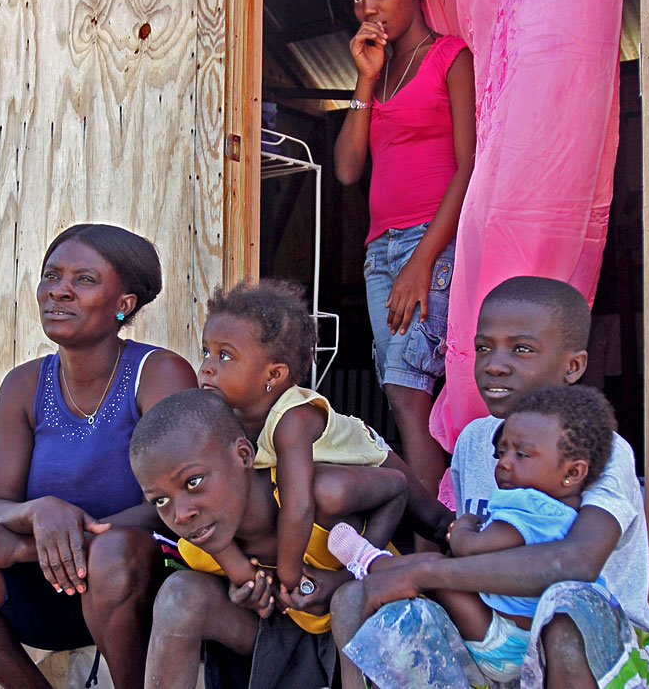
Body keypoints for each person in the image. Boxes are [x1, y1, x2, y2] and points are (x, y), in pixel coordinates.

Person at [330, 276, 649, 688]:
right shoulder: (475, 440)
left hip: (604, 643)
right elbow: (456, 540)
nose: (494, 363)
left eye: (521, 349)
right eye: (483, 347)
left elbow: (576, 562)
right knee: (367, 605)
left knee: (564, 613)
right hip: (498, 634)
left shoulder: (601, 451)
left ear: (572, 366)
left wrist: (424, 573)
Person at [0, 224, 198, 688]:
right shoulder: (24, 386)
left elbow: (181, 507)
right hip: (55, 584)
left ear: (124, 304)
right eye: (51, 275)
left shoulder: (159, 373)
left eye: (84, 280)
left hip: (142, 582)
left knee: (112, 554)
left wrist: (25, 545)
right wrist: (40, 511)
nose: (58, 291)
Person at [328, 384, 617, 686]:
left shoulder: (527, 503)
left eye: (522, 455)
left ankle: (371, 561)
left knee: (431, 567)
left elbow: (470, 550)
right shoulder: (569, 512)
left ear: (572, 473)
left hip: (502, 639)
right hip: (525, 639)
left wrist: (463, 527)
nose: (504, 462)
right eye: (502, 452)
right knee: (432, 570)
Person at [328, 0, 476, 523]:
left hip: (429, 244)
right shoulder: (380, 72)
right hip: (379, 252)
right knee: (400, 392)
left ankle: (435, 537)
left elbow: (468, 166)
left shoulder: (449, 57)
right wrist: (363, 82)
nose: (369, 7)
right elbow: (345, 169)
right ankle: (434, 531)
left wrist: (424, 261)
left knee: (411, 392)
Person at [130, 388, 408, 689]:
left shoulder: (320, 494)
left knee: (348, 601)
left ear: (243, 456)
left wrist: (348, 575)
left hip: (366, 633)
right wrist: (247, 595)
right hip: (285, 644)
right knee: (179, 596)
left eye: (193, 482)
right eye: (160, 500)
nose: (180, 515)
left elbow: (398, 488)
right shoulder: (203, 544)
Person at [198, 280, 453, 595]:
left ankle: (472, 565)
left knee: (437, 523)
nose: (207, 367)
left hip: (371, 458)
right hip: (339, 481)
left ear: (273, 375)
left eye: (224, 356)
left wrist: (289, 579)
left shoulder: (293, 418)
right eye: (206, 352)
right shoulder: (227, 415)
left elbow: (298, 506)